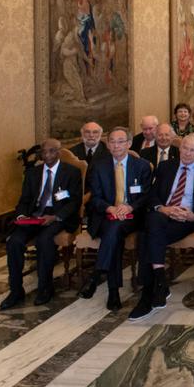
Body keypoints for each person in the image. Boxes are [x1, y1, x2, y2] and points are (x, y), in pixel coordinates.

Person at [129, 133, 194, 321]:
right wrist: (165, 209)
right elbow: (152, 196)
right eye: (185, 147)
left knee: (146, 235)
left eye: (193, 150)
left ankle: (150, 293)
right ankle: (157, 284)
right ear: (180, 147)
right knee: (154, 219)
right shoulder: (165, 167)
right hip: (164, 214)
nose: (187, 152)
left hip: (186, 220)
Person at [1, 139, 82, 309]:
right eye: (44, 152)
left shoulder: (71, 172)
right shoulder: (33, 173)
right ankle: (16, 290)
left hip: (57, 216)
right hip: (34, 215)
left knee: (44, 241)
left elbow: (74, 202)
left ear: (59, 152)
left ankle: (45, 288)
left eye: (51, 151)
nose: (47, 155)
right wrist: (22, 215)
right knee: (14, 241)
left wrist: (55, 217)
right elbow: (24, 200)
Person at [81, 127, 152, 312]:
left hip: (133, 217)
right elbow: (94, 197)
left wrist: (129, 207)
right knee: (114, 232)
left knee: (113, 230)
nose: (116, 145)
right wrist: (110, 208)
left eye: (121, 141)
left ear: (129, 144)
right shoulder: (99, 165)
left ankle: (98, 275)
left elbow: (146, 196)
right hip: (106, 215)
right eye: (112, 141)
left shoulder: (142, 165)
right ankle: (112, 292)